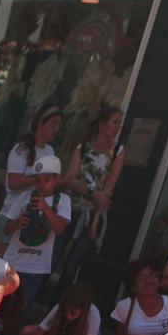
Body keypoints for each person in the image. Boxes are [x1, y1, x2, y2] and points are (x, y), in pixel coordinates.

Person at [58, 105, 125, 290]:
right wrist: (91, 193)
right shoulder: (84, 147)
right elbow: (69, 178)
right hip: (70, 209)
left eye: (120, 123)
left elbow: (108, 189)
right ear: (102, 124)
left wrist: (96, 221)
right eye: (115, 122)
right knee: (55, 256)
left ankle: (59, 304)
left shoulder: (118, 151)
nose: (118, 127)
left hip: (92, 215)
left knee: (72, 266)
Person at [0, 148, 69, 310]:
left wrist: (45, 208)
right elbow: (7, 229)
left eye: (47, 179)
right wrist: (18, 222)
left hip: (37, 266)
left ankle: (7, 334)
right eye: (38, 180)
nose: (42, 184)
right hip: (14, 261)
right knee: (2, 302)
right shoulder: (24, 197)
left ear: (58, 179)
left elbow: (59, 230)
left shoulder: (63, 201)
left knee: (23, 307)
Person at [6, 103, 63, 194]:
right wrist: (41, 178)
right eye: (53, 123)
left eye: (58, 124)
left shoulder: (50, 151)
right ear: (40, 124)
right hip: (16, 204)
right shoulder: (21, 149)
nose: (56, 129)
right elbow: (13, 183)